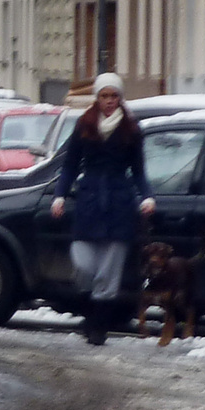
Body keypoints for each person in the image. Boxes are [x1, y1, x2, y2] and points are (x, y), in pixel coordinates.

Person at [51, 72, 155, 345]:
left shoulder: (131, 129)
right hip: (89, 202)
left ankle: (98, 328)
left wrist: (146, 196)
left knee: (109, 272)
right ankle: (89, 313)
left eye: (114, 96)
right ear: (97, 98)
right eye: (104, 96)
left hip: (120, 204)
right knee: (83, 265)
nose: (109, 101)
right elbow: (70, 165)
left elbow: (140, 170)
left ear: (121, 98)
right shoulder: (84, 125)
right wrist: (59, 195)